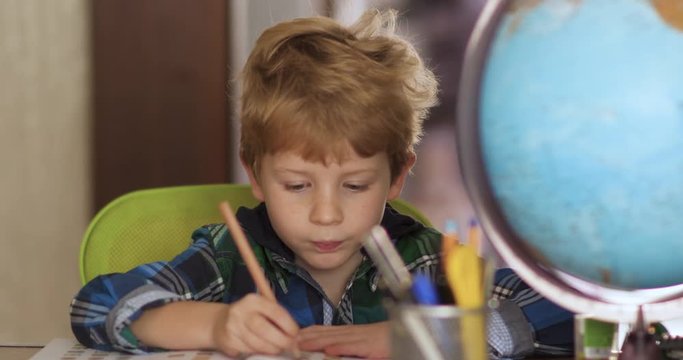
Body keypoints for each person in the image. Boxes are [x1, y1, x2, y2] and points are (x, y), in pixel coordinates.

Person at [70, 9, 573, 359]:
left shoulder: (421, 260)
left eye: (354, 186)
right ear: (256, 176)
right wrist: (216, 325)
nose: (326, 215)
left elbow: (567, 309)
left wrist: (412, 337)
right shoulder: (228, 255)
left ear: (398, 175)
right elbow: (97, 305)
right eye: (296, 186)